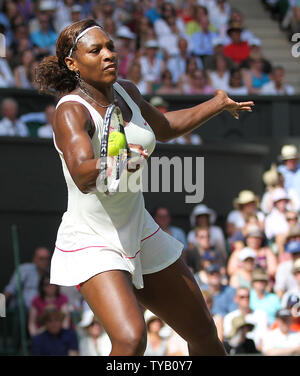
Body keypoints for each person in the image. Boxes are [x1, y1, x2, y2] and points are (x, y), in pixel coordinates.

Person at [34, 18, 253, 356]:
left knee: (204, 333)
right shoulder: (70, 112)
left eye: (110, 47)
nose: (109, 54)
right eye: (96, 50)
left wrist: (218, 103)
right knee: (131, 339)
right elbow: (80, 171)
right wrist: (117, 161)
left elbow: (164, 127)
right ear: (72, 63)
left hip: (140, 228)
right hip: (92, 238)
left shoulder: (127, 91)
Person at [3, 247, 50, 312]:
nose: (45, 261)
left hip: (43, 312)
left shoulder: (51, 272)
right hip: (22, 312)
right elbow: (10, 289)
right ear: (34, 259)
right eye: (41, 259)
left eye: (47, 259)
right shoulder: (24, 270)